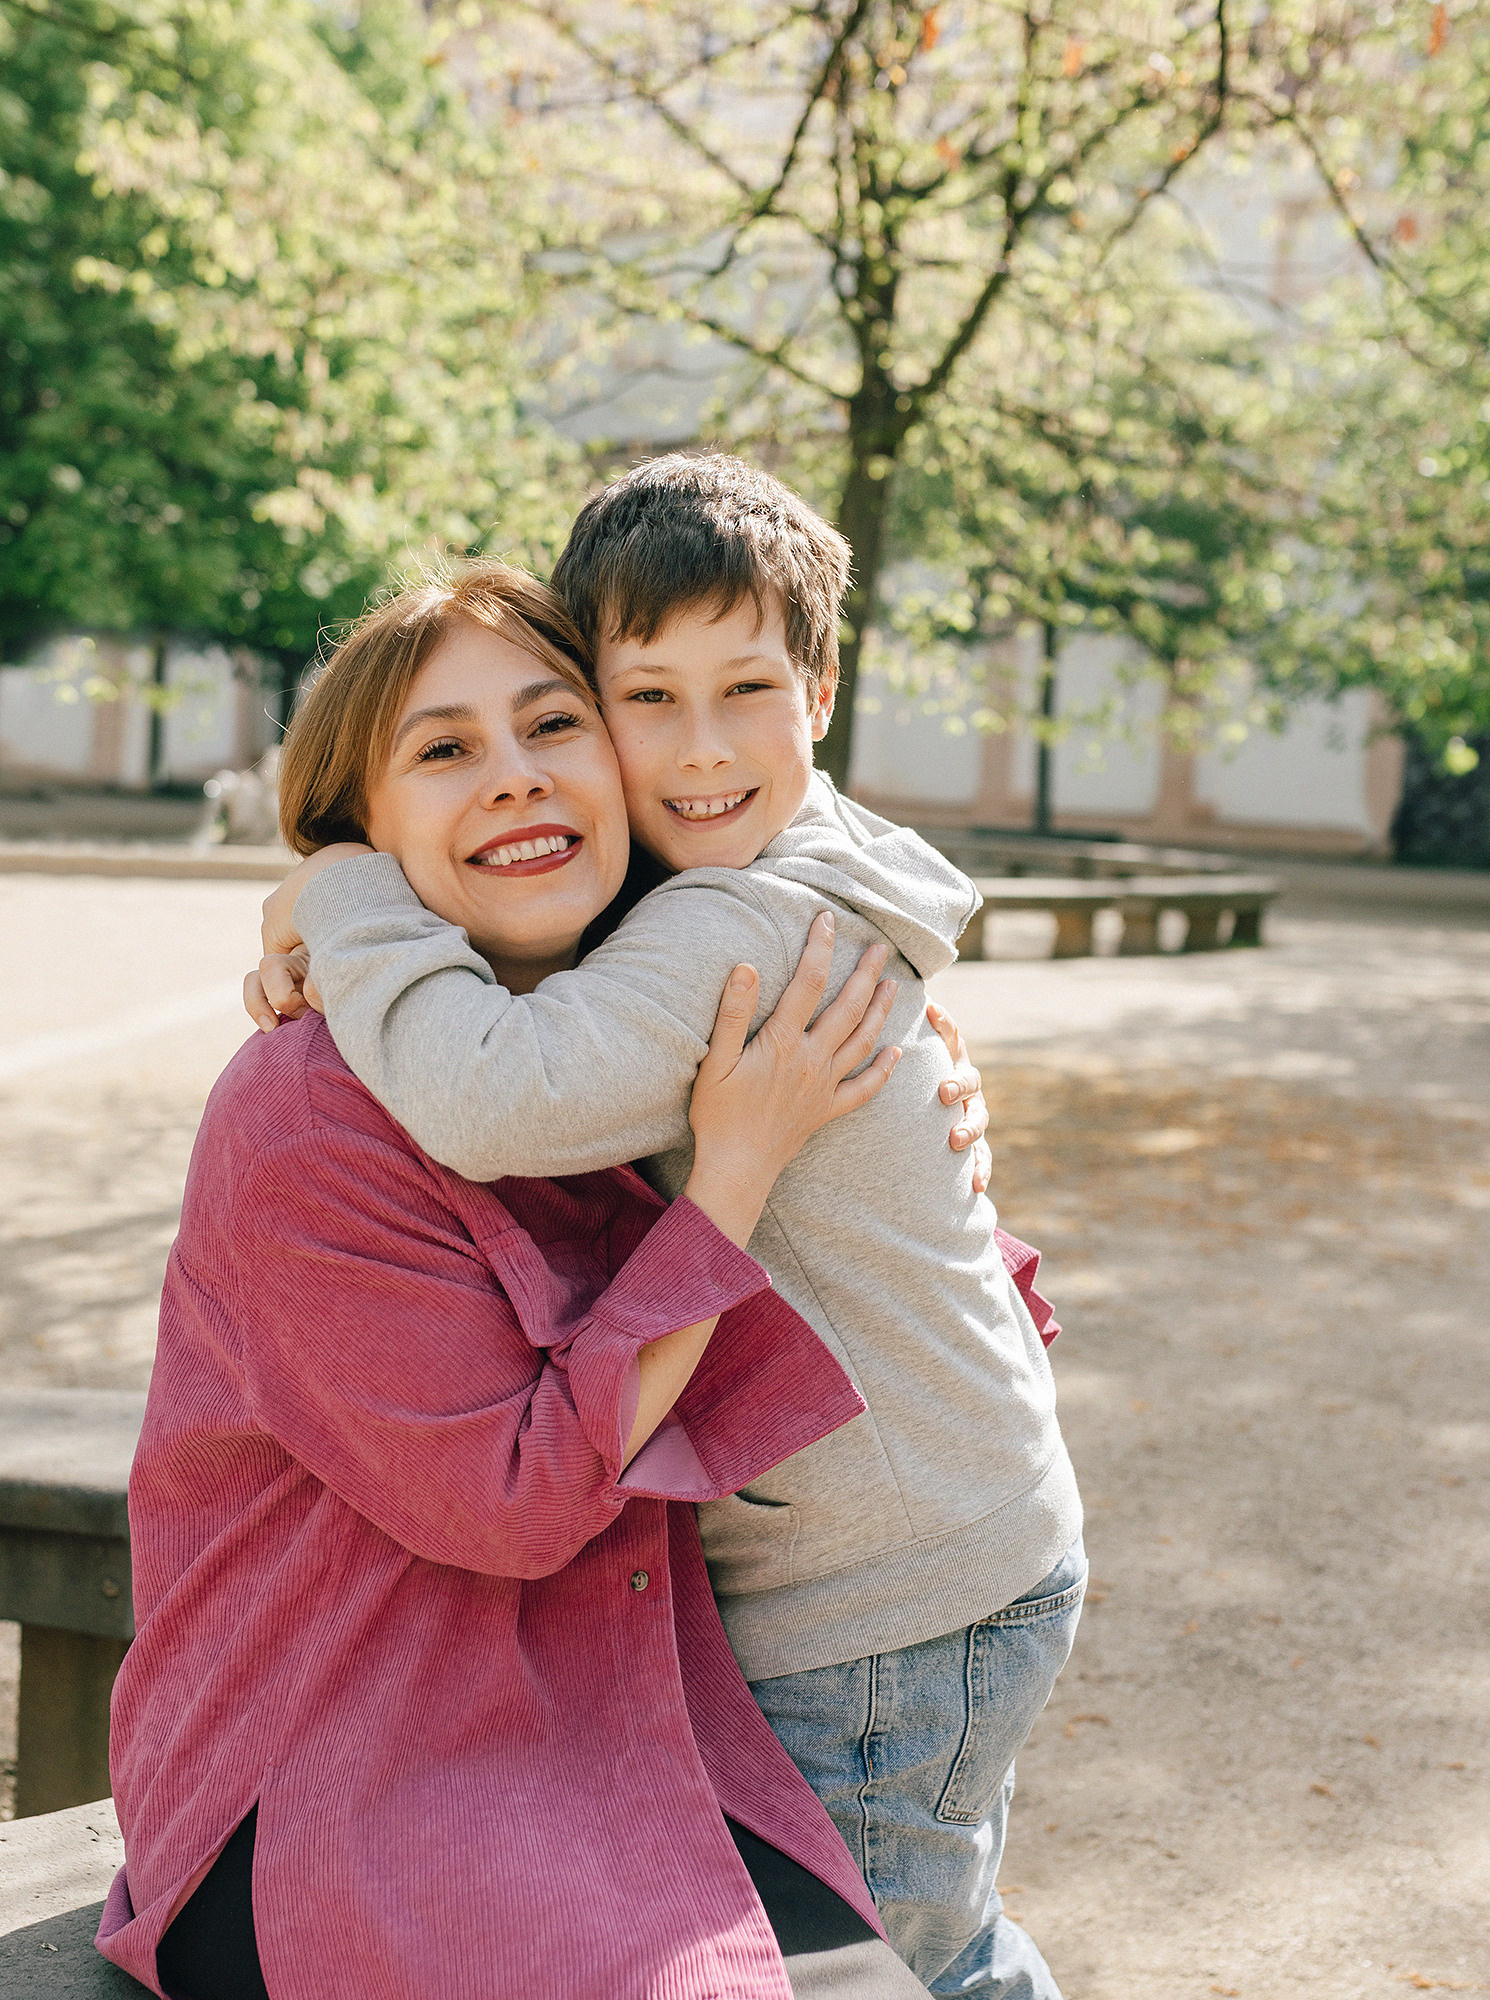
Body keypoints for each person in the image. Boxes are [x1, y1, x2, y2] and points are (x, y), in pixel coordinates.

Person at [252, 458, 1085, 2000]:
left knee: (872, 1963)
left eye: (746, 690)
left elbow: (495, 1101)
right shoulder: (741, 873)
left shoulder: (741, 918)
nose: (698, 752)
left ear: (820, 689)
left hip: (881, 1599)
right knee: (920, 1925)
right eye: (645, 699)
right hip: (933, 1547)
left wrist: (345, 887)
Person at [98, 566, 940, 2000]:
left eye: (552, 727)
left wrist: (936, 1084)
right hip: (343, 1761)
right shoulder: (307, 1114)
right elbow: (519, 1502)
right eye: (441, 751)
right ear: (362, 839)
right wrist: (734, 1174)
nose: (511, 778)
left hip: (613, 1704)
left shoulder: (600, 1040)